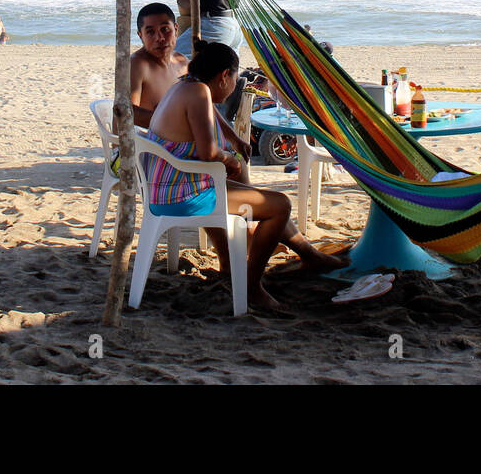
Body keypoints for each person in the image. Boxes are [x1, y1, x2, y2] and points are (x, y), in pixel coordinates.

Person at [144, 41, 343, 311]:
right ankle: (251, 287)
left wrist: (234, 138)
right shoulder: (199, 92)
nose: (234, 85)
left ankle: (304, 255)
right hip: (182, 195)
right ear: (224, 75)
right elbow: (208, 153)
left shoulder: (186, 84)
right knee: (279, 206)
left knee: (262, 198)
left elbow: (210, 113)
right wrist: (230, 160)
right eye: (235, 78)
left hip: (166, 187)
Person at [129, 2, 251, 179]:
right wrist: (177, 121)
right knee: (223, 160)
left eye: (165, 29)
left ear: (176, 29)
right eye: (150, 32)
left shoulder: (181, 62)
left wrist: (234, 138)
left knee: (237, 162)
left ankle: (234, 201)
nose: (160, 38)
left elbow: (205, 104)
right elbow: (128, 113)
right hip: (150, 148)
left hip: (178, 143)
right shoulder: (137, 65)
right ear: (140, 35)